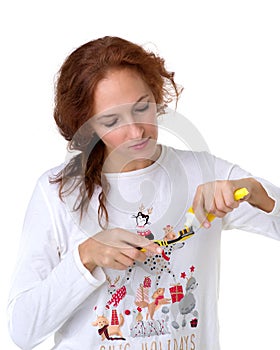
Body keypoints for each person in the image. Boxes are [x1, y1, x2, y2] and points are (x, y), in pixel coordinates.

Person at [8, 36, 280, 350]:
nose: (137, 131)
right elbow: (22, 331)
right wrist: (87, 256)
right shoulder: (57, 191)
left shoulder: (203, 173)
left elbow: (262, 203)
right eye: (111, 120)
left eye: (142, 107)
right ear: (87, 125)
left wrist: (252, 191)